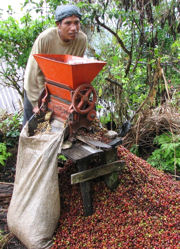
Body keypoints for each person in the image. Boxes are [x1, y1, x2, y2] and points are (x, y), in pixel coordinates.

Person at [23, 4, 87, 126]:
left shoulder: (81, 40)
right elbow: (33, 73)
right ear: (58, 25)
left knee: (54, 126)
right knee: (30, 127)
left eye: (76, 22)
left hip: (57, 89)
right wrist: (36, 104)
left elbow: (74, 70)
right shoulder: (46, 39)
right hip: (37, 87)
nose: (73, 28)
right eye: (68, 23)